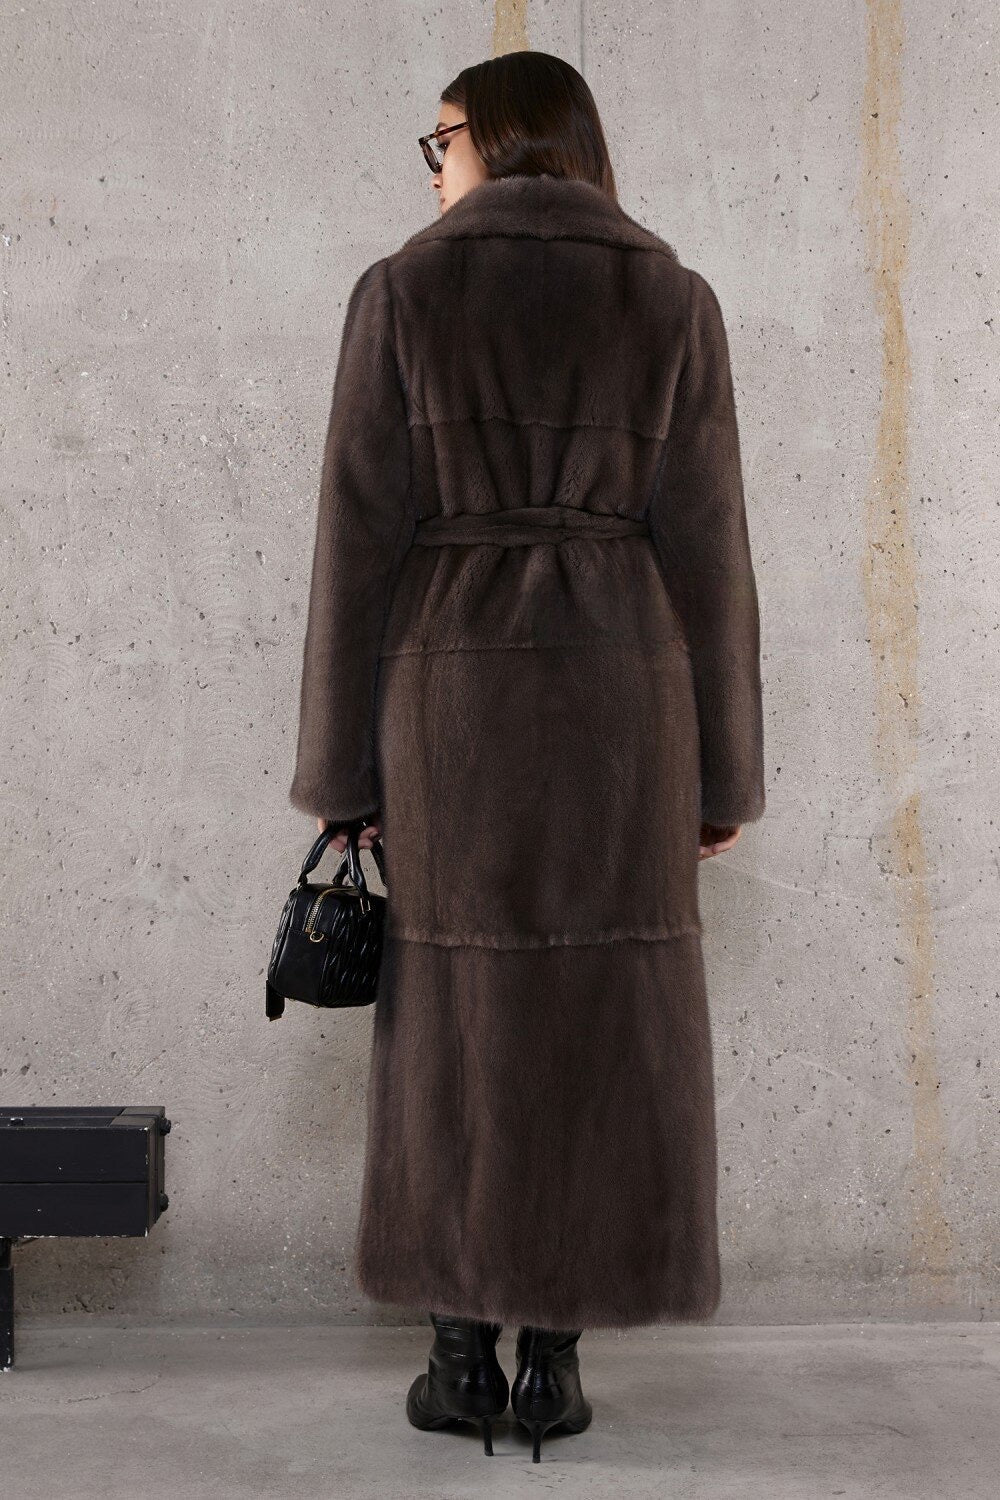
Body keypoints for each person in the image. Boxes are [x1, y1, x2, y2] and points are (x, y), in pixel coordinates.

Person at [288, 50, 766, 1463]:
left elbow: (355, 544)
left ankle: (459, 1358)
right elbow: (713, 557)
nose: (432, 168)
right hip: (626, 699)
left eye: (438, 140)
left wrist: (341, 774)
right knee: (602, 1019)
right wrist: (723, 773)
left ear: (497, 140)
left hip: (453, 701)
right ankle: (553, 1365)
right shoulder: (671, 299)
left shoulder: (403, 293)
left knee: (453, 1016)